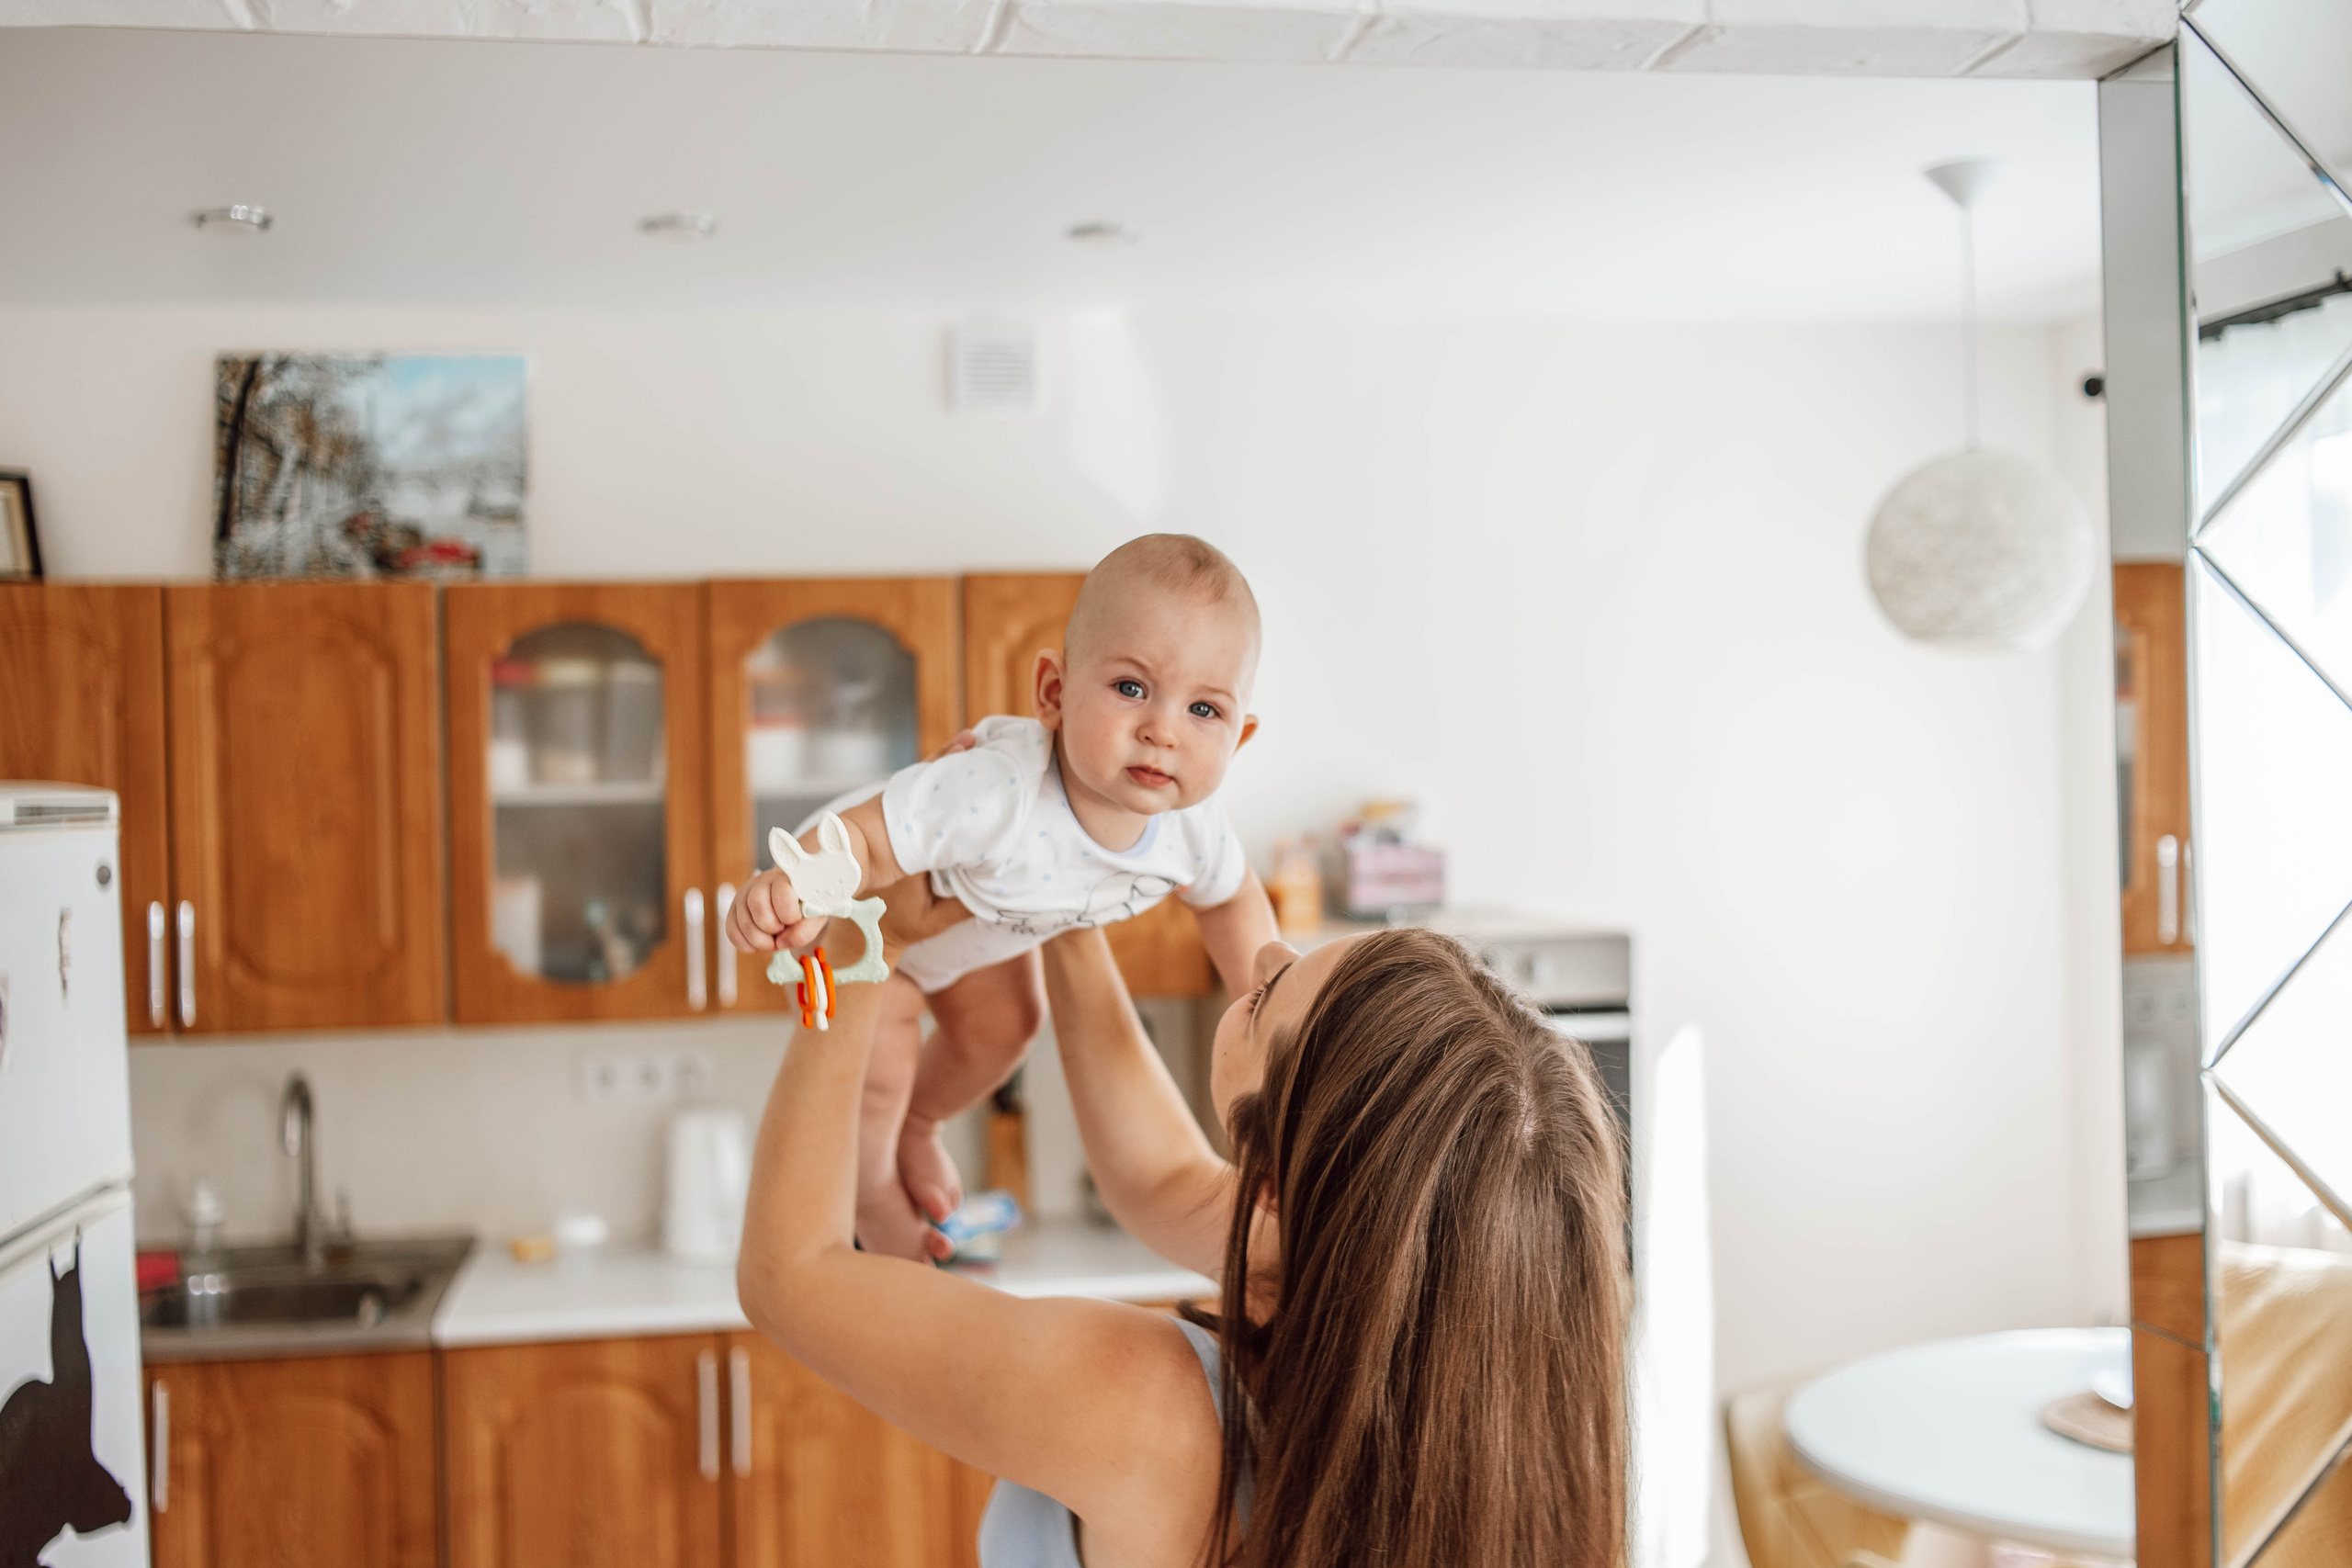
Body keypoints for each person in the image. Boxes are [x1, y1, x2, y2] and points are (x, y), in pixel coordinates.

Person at [735, 877, 1631, 1568]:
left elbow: (793, 1272)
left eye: (1273, 987)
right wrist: (1064, 902)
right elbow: (1155, 1177)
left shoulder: (1142, 1404)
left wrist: (862, 949)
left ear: (1274, 1187)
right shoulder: (1497, 1402)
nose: (1264, 950)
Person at [726, 534, 1280, 1260]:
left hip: (983, 931)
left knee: (1007, 1028)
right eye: (1131, 688)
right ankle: (872, 1197)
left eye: (1204, 710)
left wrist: (1270, 996)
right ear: (1053, 692)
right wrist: (797, 886)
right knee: (880, 1080)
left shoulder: (1192, 830)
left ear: (1238, 737)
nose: (1162, 729)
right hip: (875, 917)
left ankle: (920, 1126)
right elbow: (867, 841)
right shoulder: (996, 790)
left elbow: (1231, 902)